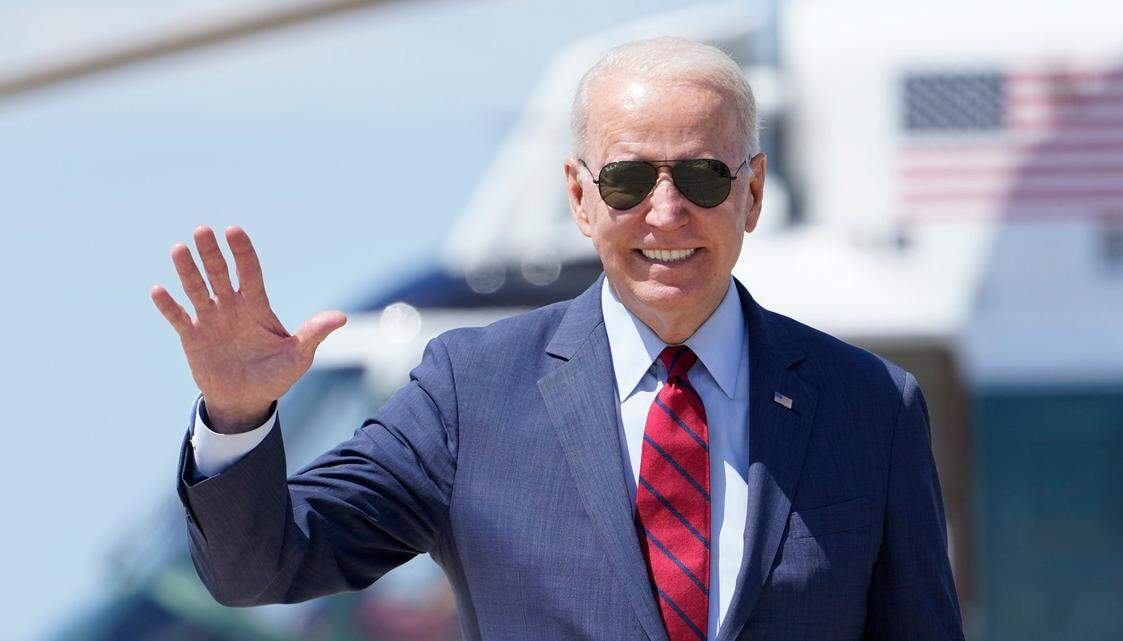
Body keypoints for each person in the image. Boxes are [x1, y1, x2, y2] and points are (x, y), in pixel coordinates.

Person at [152, 37, 965, 641]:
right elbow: (263, 565)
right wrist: (236, 416)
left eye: (704, 176)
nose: (666, 211)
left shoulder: (870, 406)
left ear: (751, 193)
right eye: (629, 178)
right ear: (580, 197)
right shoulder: (472, 395)